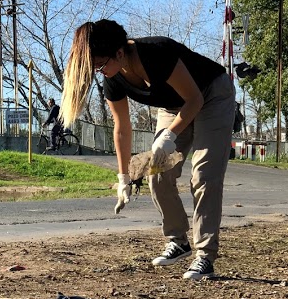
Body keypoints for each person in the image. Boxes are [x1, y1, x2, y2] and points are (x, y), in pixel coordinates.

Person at [61, 19, 236, 280]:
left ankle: (205, 255)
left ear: (119, 53)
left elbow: (195, 99)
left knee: (203, 177)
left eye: (100, 64)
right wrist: (123, 178)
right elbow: (121, 127)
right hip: (173, 106)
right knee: (155, 173)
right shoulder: (113, 78)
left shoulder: (157, 52)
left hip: (210, 95)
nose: (100, 71)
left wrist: (170, 135)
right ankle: (179, 241)